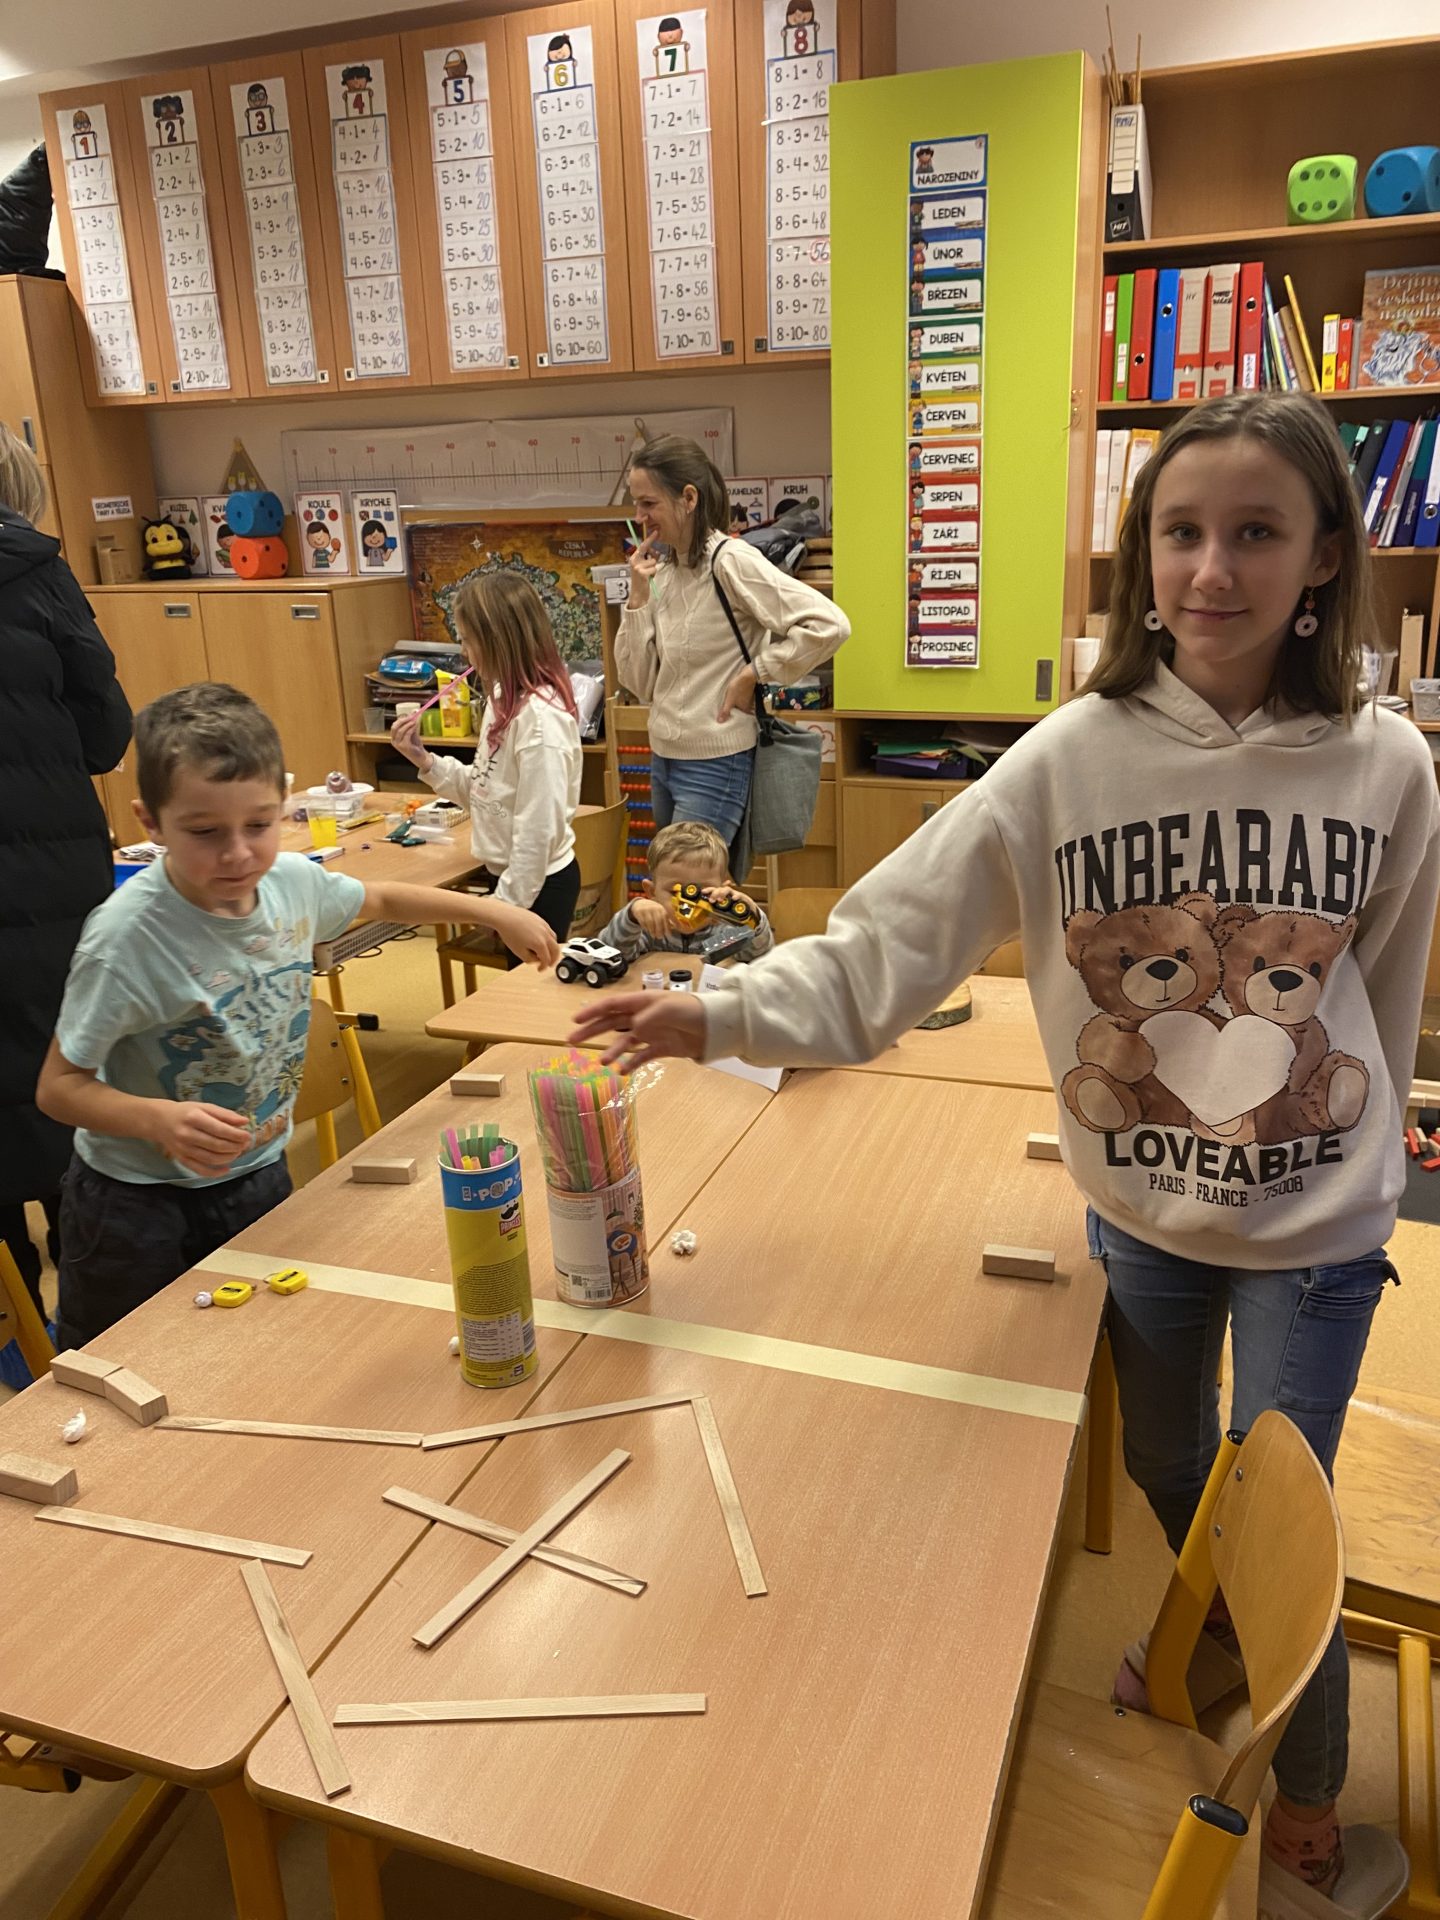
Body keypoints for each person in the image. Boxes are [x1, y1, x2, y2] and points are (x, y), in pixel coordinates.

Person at [576, 392, 1437, 1919]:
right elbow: (892, 942)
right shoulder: (1068, 759)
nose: (1211, 570)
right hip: (1142, 1211)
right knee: (1168, 1463)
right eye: (1181, 532)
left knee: (1273, 1527)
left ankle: (1305, 1811)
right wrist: (720, 1011)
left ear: (1322, 558)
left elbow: (1381, 985)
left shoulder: (1390, 768)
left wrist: (1363, 1140)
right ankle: (1219, 1633)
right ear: (1140, 552)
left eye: (1255, 533)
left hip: (1312, 1225)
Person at [36, 682, 558, 1350]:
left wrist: (496, 911)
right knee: (128, 1357)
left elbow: (384, 899)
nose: (237, 853)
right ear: (151, 823)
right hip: (134, 1205)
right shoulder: (124, 942)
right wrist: (156, 1119)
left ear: (283, 806)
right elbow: (58, 1088)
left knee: (264, 1347)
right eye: (204, 832)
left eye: (258, 825)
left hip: (257, 1173)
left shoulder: (289, 882)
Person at [0, 422, 131, 1322]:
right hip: (48, 872)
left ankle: (13, 1313)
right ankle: (91, 1294)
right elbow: (105, 732)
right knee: (67, 1062)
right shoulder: (39, 573)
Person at [617, 435, 848, 869]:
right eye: (636, 503)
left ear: (688, 498)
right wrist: (638, 597)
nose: (639, 517)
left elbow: (830, 625)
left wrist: (754, 672)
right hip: (663, 756)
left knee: (688, 890)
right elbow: (640, 683)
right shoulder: (665, 572)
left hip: (715, 760)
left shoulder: (731, 560)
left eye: (648, 503)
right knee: (677, 888)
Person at [390, 573, 583, 947]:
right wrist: (425, 761)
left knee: (530, 986)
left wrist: (505, 905)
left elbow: (537, 831)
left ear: (496, 641)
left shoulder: (540, 721)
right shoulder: (503, 701)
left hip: (537, 885)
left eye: (467, 640)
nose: (464, 652)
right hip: (513, 878)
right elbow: (486, 792)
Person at [600, 821, 773, 965]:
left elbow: (761, 957)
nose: (687, 906)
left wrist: (752, 918)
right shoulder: (651, 931)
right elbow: (608, 955)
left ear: (722, 892)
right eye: (675, 892)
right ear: (652, 892)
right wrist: (631, 916)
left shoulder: (724, 932)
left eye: (702, 893)